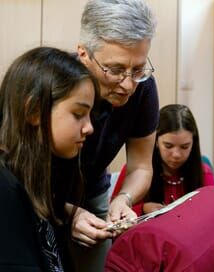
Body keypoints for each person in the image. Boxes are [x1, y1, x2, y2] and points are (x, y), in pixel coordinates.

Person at [61, 0, 159, 271]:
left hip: (91, 193)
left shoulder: (143, 88)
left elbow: (141, 166)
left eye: (138, 69)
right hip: (36, 192)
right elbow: (19, 175)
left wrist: (123, 198)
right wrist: (67, 212)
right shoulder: (55, 83)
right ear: (83, 53)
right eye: (115, 70)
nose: (128, 85)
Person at [0, 47, 98, 271]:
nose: (89, 127)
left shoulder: (39, 179)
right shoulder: (4, 188)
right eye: (78, 114)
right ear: (34, 110)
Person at [112, 104, 214, 215]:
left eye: (184, 147)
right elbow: (114, 215)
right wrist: (143, 209)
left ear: (193, 143)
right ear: (156, 141)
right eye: (168, 146)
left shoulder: (204, 173)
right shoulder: (135, 171)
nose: (176, 154)